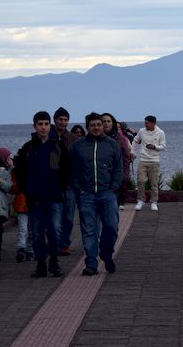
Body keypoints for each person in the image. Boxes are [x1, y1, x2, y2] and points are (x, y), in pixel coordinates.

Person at [15, 110, 71, 278]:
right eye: (40, 124)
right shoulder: (28, 148)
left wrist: (60, 188)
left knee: (55, 230)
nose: (43, 127)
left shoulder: (58, 146)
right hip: (35, 198)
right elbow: (20, 172)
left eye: (46, 124)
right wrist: (27, 191)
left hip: (54, 197)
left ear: (50, 125)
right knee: (37, 232)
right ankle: (40, 264)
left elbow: (67, 169)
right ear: (35, 126)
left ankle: (54, 262)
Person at [71, 112, 123, 276]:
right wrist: (79, 188)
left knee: (111, 227)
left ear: (103, 126)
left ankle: (106, 254)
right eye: (93, 125)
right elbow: (73, 170)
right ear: (87, 127)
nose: (96, 127)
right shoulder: (78, 146)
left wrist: (114, 187)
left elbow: (118, 168)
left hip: (107, 193)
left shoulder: (112, 144)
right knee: (89, 230)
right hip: (86, 195)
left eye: (99, 124)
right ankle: (91, 263)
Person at [53, 106, 78, 256]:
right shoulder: (48, 136)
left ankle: (64, 243)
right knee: (55, 217)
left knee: (68, 217)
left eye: (65, 119)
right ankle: (55, 242)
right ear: (55, 120)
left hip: (69, 184)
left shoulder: (73, 139)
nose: (63, 122)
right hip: (53, 184)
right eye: (60, 119)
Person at [131, 115, 166, 212]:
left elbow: (163, 146)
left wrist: (154, 147)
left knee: (153, 182)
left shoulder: (160, 133)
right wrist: (132, 152)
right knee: (141, 181)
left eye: (147, 123)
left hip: (154, 161)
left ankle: (154, 202)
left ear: (153, 123)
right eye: (145, 122)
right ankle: (141, 200)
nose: (145, 124)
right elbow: (135, 140)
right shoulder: (142, 131)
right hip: (143, 160)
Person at [101, 112, 132, 210]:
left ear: (113, 123)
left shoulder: (121, 139)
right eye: (103, 121)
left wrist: (124, 176)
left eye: (108, 121)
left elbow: (125, 159)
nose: (106, 123)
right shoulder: (93, 139)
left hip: (115, 177)